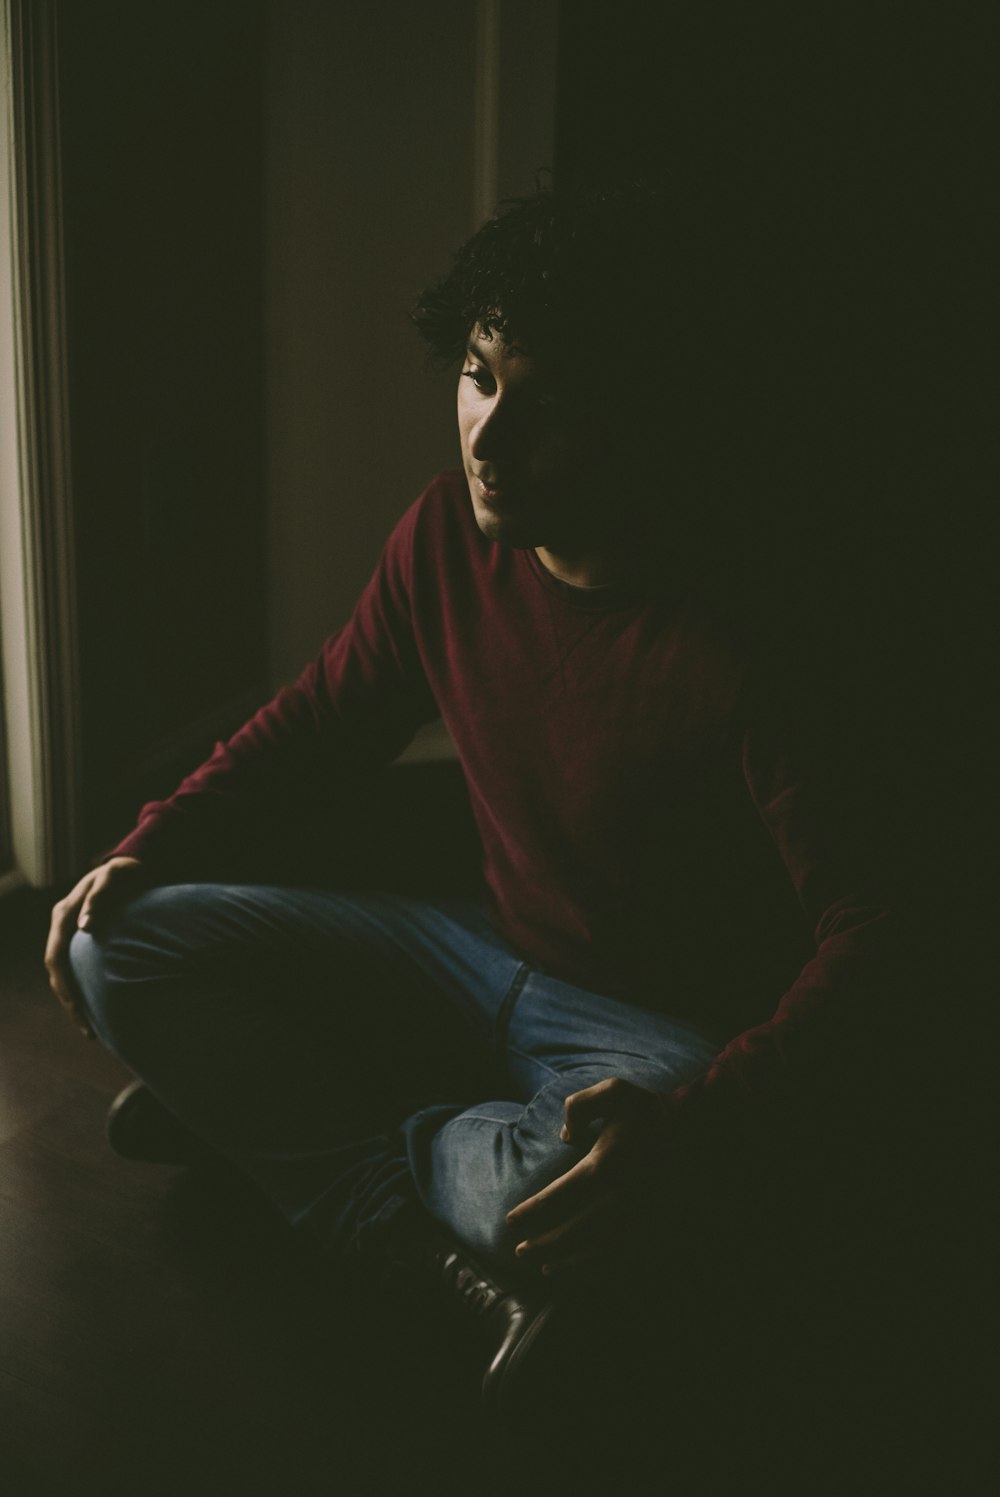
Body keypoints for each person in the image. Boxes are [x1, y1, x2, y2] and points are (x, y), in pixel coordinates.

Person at [45, 187, 893, 1416]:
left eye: (546, 403)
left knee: (576, 1176)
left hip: (648, 1041)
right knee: (113, 941)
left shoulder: (750, 639)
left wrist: (699, 1129)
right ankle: (407, 1218)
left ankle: (295, 1137)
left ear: (644, 422)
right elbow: (318, 725)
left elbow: (884, 933)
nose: (490, 437)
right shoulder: (447, 536)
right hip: (475, 949)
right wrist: (142, 851)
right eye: (481, 375)